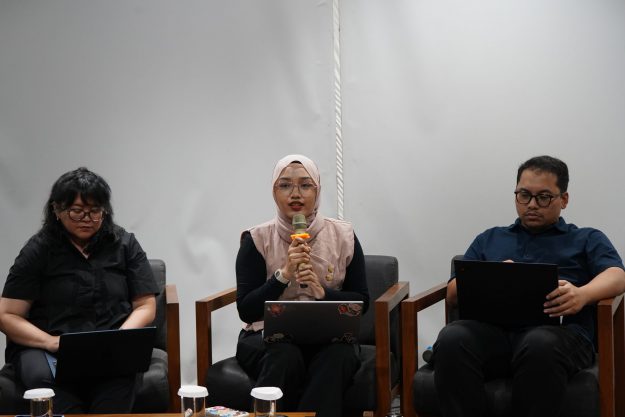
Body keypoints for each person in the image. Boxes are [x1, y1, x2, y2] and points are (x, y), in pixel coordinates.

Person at [431, 155, 625, 417]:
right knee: (452, 338)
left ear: (564, 199)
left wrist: (582, 294)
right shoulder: (490, 238)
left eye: (543, 197)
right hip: (494, 337)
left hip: (560, 336)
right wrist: (493, 277)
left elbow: (617, 275)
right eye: (524, 195)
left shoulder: (586, 238)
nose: (532, 205)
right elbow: (453, 294)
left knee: (539, 342)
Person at [0, 167, 159, 413]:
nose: (86, 218)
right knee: (46, 382)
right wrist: (50, 342)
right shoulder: (38, 249)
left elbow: (146, 305)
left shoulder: (125, 244)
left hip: (109, 344)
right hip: (47, 346)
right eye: (76, 211)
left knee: (119, 382)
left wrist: (119, 339)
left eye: (95, 211)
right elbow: (7, 314)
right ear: (57, 210)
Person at [235, 154, 370, 417]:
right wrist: (283, 275)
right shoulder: (256, 238)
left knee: (338, 357)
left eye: (305, 185)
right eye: (285, 185)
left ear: (317, 191)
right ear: (274, 192)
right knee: (284, 355)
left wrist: (322, 292)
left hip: (329, 338)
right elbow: (246, 310)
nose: (295, 194)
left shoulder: (343, 235)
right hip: (267, 339)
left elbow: (361, 301)